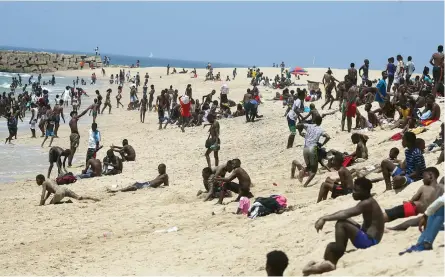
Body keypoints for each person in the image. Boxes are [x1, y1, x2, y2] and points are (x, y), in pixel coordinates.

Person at [302, 178, 384, 276]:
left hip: (369, 241)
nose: (353, 192)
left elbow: (345, 213)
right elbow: (345, 214)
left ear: (365, 191)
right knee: (336, 235)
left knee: (341, 224)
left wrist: (324, 218)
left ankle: (338, 250)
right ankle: (330, 263)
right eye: (353, 189)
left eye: (356, 190)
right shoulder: (368, 201)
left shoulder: (367, 203)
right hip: (369, 237)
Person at [296, 116, 331, 187]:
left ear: (314, 120)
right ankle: (305, 185)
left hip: (305, 148)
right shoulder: (320, 129)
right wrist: (322, 144)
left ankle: (302, 171)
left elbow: (298, 125)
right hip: (313, 148)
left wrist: (300, 132)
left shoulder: (309, 126)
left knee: (309, 166)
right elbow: (328, 137)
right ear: (320, 122)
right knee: (314, 171)